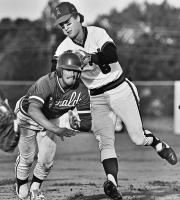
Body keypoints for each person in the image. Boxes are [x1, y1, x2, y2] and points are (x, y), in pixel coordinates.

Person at [53, 2, 177, 200]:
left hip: (119, 88)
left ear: (77, 17)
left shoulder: (97, 33)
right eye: (61, 25)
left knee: (137, 138)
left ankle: (158, 144)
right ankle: (112, 183)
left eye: (67, 21)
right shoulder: (63, 48)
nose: (65, 27)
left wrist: (90, 58)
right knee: (105, 141)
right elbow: (55, 72)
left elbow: (112, 54)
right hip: (96, 96)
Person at [14, 51, 91, 200]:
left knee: (47, 161)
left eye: (77, 71)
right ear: (60, 70)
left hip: (51, 118)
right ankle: (21, 183)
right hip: (27, 116)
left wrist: (74, 124)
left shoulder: (82, 90)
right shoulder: (47, 82)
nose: (74, 74)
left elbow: (87, 124)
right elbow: (33, 109)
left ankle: (35, 189)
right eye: (69, 70)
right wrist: (56, 129)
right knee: (28, 158)